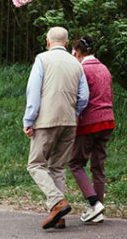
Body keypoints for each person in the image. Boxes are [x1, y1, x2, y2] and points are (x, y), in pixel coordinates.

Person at [23, 26, 89, 230]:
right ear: (67, 43)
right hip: (69, 121)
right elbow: (84, 97)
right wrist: (72, 111)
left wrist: (29, 120)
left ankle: (57, 201)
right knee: (58, 167)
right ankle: (59, 217)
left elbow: (33, 92)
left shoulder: (42, 59)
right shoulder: (77, 64)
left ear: (47, 41)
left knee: (35, 165)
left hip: (46, 120)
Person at [68, 35, 115, 225]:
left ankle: (94, 203)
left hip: (89, 122)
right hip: (107, 120)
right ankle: (99, 209)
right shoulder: (104, 68)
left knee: (75, 163)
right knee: (98, 166)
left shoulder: (81, 70)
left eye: (73, 53)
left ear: (78, 52)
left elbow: (80, 97)